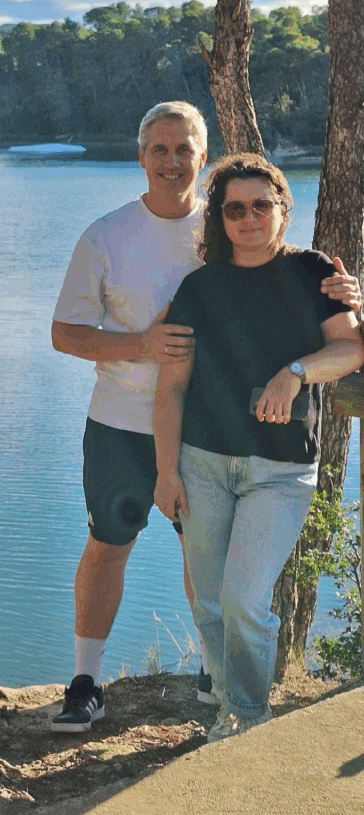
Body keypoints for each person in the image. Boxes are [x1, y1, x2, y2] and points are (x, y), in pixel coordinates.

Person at [51, 105, 361, 734]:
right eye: (159, 149)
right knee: (110, 545)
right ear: (142, 156)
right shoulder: (107, 236)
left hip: (223, 438)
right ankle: (87, 681)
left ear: (203, 155)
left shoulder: (241, 228)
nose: (171, 161)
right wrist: (140, 346)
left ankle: (222, 684)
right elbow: (65, 333)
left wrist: (346, 296)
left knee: (215, 573)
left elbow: (316, 313)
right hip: (127, 423)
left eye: (184, 149)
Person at [153, 153, 364, 744]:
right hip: (201, 463)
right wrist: (166, 473)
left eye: (261, 206)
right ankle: (230, 710)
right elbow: (171, 388)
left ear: (282, 210)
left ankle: (248, 718)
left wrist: (295, 372)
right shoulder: (199, 288)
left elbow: (351, 349)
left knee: (244, 600)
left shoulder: (313, 273)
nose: (248, 218)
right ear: (219, 218)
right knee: (210, 603)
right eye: (235, 209)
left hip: (281, 468)